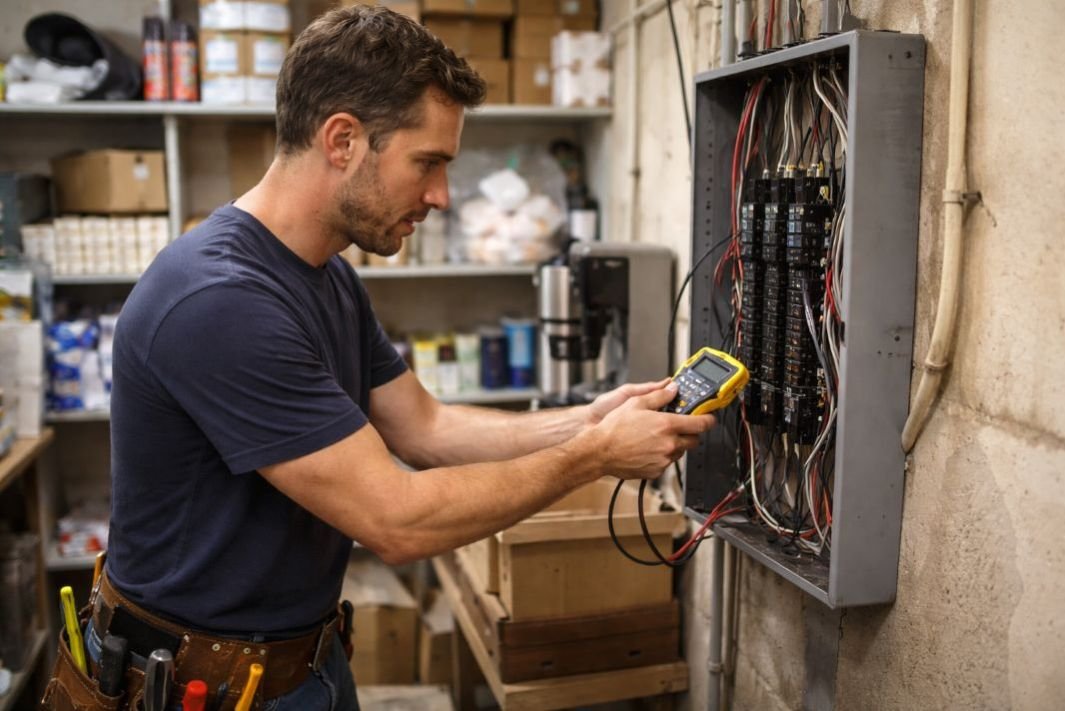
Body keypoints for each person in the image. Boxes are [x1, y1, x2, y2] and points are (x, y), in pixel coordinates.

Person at [90, 6, 714, 710]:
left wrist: (587, 420)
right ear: (343, 140)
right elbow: (398, 519)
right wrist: (594, 456)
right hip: (202, 687)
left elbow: (425, 426)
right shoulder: (219, 298)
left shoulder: (326, 274)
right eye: (428, 163)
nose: (442, 197)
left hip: (303, 662)